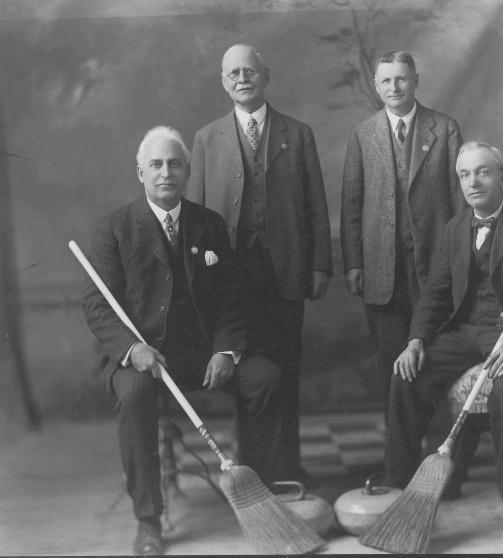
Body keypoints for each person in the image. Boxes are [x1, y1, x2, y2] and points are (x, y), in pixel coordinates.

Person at [82, 126, 283, 555]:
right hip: (143, 359)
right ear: (140, 173)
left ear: (188, 171)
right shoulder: (114, 229)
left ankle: (255, 495)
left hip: (203, 355)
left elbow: (232, 297)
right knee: (134, 397)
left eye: (174, 164)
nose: (165, 172)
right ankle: (148, 519)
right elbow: (98, 306)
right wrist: (132, 350)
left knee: (264, 378)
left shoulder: (208, 225)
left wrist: (226, 350)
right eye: (155, 164)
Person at [384, 141, 503, 531]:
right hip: (466, 332)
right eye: (465, 174)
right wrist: (416, 339)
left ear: (502, 175)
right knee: (406, 376)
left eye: (483, 171)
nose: (474, 181)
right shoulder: (455, 229)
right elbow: (435, 293)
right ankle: (397, 484)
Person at [188, 44, 332, 484]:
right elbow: (193, 213)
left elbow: (316, 204)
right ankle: (250, 467)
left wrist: (321, 264)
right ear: (223, 81)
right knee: (245, 372)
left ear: (265, 75)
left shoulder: (297, 133)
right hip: (229, 280)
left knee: (284, 373)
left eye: (250, 71)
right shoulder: (207, 138)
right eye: (233, 73)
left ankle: (288, 465)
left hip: (285, 272)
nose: (242, 79)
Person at [340, 49, 464, 406]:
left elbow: (458, 201)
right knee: (391, 365)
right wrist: (353, 263)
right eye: (386, 81)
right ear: (377, 86)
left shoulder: (444, 129)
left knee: (436, 360)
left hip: (435, 268)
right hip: (382, 271)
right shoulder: (363, 134)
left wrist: (459, 261)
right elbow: (351, 203)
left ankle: (440, 453)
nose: (394, 87)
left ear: (415, 82)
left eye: (401, 79)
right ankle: (398, 457)